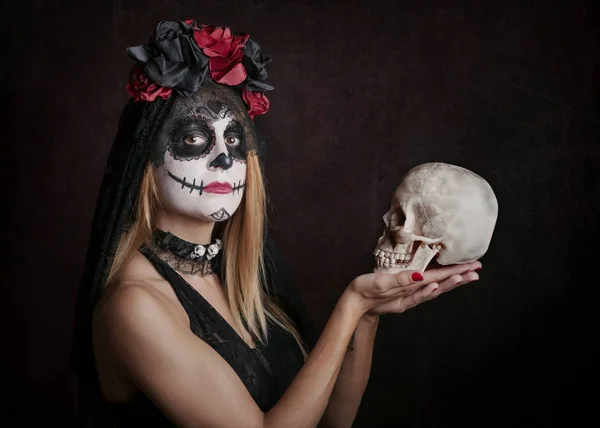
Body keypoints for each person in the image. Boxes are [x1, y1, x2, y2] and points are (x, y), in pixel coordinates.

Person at [71, 19, 481, 428]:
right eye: (195, 139)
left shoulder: (242, 274)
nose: (224, 159)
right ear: (146, 161)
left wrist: (367, 315)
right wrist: (351, 303)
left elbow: (334, 420)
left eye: (234, 140)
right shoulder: (134, 306)